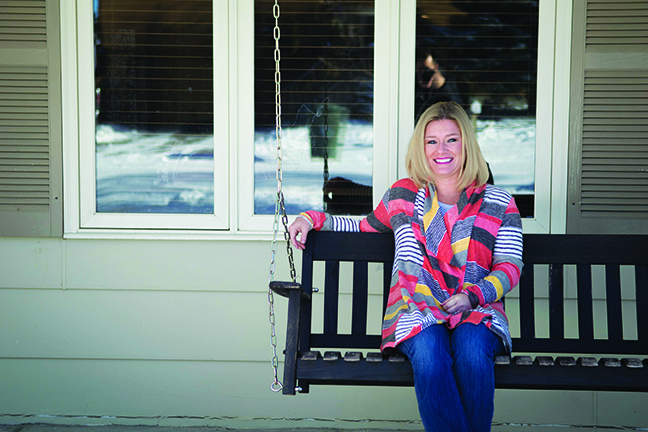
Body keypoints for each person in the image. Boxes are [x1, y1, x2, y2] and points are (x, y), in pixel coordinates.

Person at [289, 101, 523, 432]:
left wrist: (473, 296)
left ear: (466, 145)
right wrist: (311, 218)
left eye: (452, 140)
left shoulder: (499, 202)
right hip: (416, 308)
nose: (442, 149)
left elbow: (510, 266)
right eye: (432, 141)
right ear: (421, 148)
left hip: (477, 309)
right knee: (430, 354)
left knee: (472, 353)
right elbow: (362, 227)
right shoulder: (403, 196)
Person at [415, 49, 463, 121]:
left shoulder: (446, 84)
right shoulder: (409, 84)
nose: (423, 74)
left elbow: (459, 111)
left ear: (436, 68)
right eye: (420, 71)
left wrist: (443, 87)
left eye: (427, 70)